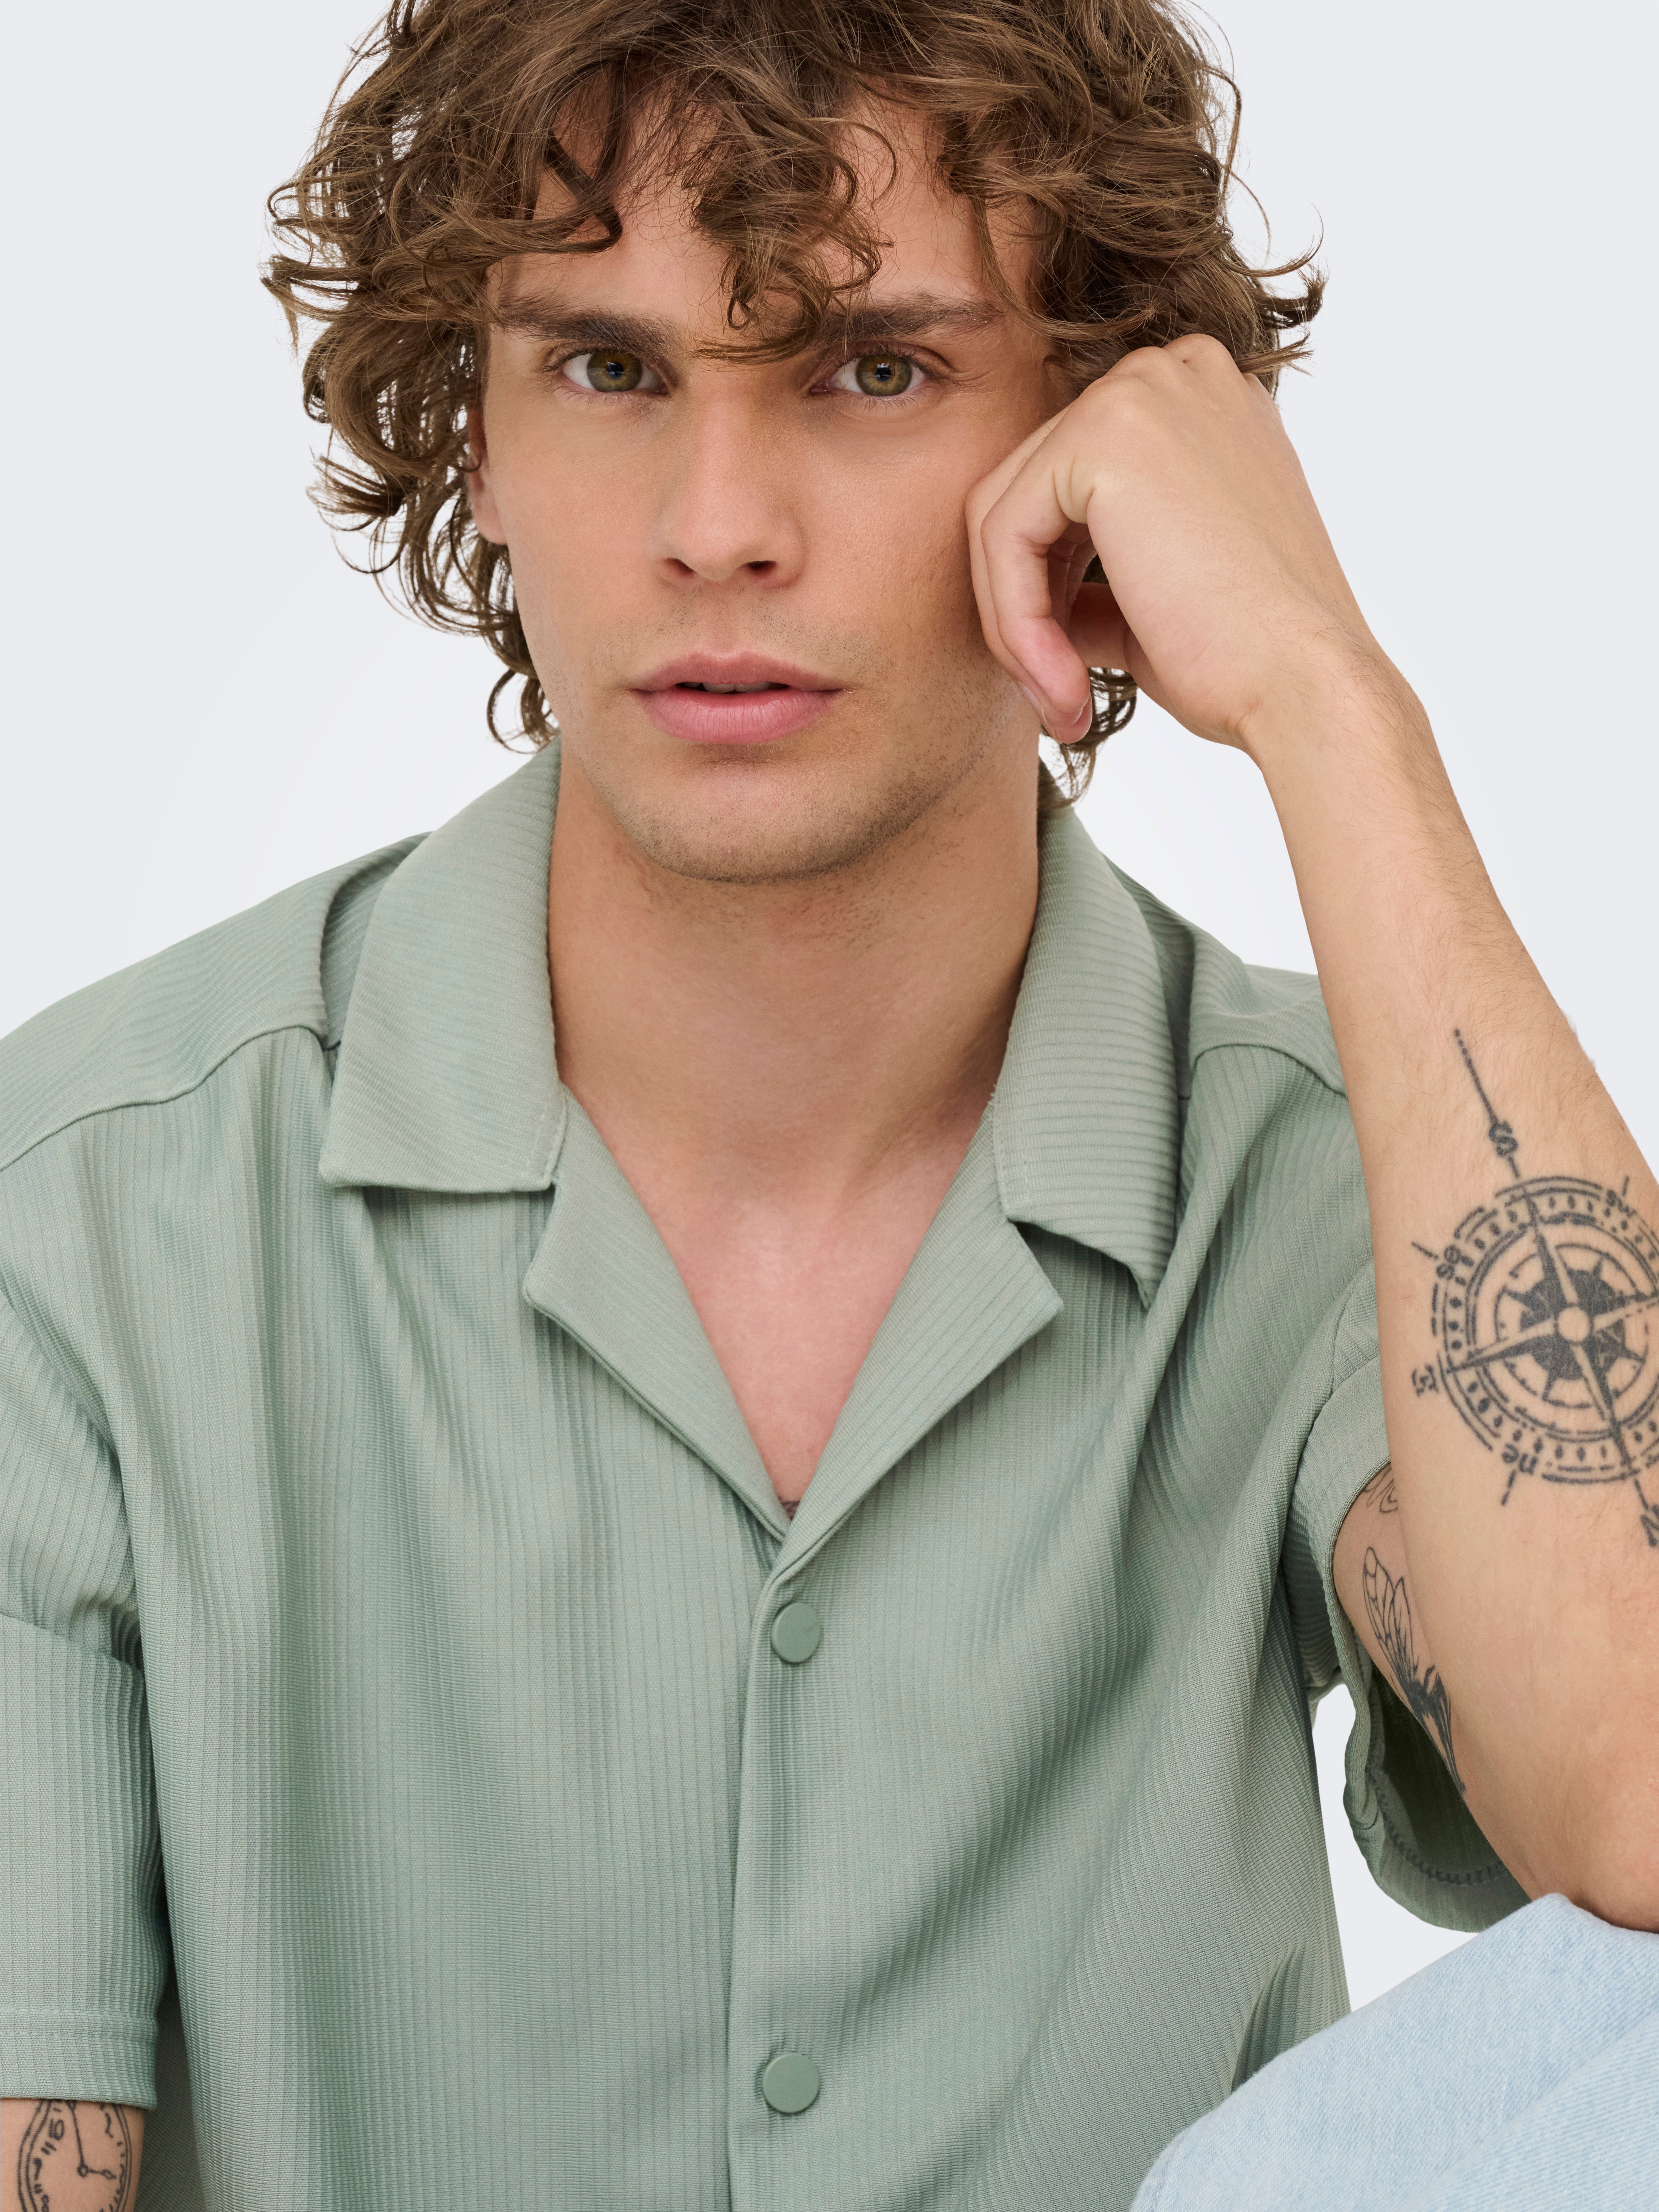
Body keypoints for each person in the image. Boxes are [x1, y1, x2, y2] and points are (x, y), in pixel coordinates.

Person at [2, 1, 1654, 2206]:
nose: (719, 528)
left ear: (1099, 439)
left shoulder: (1322, 1178)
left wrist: (1334, 709)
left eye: (872, 371)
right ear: (474, 427)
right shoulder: (81, 1221)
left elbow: (1649, 1800)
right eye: (608, 370)